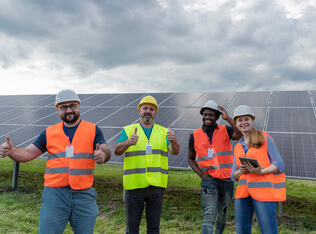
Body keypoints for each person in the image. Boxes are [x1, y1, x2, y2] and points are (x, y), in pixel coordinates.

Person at [0, 89, 111, 234]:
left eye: (72, 105)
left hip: (84, 194)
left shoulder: (93, 130)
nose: (69, 110)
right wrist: (11, 151)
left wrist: (103, 154)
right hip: (55, 194)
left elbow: (105, 150)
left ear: (79, 105)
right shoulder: (49, 132)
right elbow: (28, 153)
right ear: (57, 109)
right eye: (63, 107)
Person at [114, 95, 180, 234]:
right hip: (134, 185)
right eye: (145, 108)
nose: (148, 111)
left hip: (156, 186)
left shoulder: (164, 132)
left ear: (155, 112)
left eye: (151, 109)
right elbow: (117, 151)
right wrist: (128, 142)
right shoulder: (128, 130)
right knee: (132, 228)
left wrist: (173, 140)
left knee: (154, 228)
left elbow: (175, 151)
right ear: (139, 111)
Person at [188, 100, 242, 234]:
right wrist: (201, 175)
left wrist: (228, 118)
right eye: (205, 114)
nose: (207, 117)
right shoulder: (194, 135)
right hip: (209, 181)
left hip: (227, 181)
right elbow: (190, 158)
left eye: (211, 115)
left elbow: (241, 136)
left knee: (223, 215)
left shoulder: (226, 130)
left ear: (217, 117)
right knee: (209, 215)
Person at [231, 105, 286, 234]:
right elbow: (233, 176)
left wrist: (261, 171)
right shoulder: (237, 146)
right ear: (236, 123)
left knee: (268, 231)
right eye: (240, 120)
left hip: (264, 194)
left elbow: (279, 164)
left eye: (246, 119)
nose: (243, 122)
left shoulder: (264, 137)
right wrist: (241, 170)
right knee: (241, 231)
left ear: (252, 120)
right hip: (242, 194)